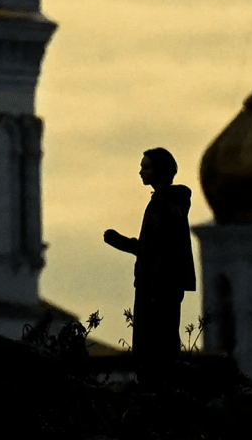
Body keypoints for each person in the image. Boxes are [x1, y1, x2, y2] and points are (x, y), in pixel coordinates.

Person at [103, 147, 196, 364]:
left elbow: (159, 248)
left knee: (155, 343)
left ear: (159, 170)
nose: (141, 172)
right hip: (157, 282)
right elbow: (154, 246)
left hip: (159, 284)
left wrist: (121, 242)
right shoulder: (167, 202)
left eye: (145, 167)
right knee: (156, 341)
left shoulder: (165, 204)